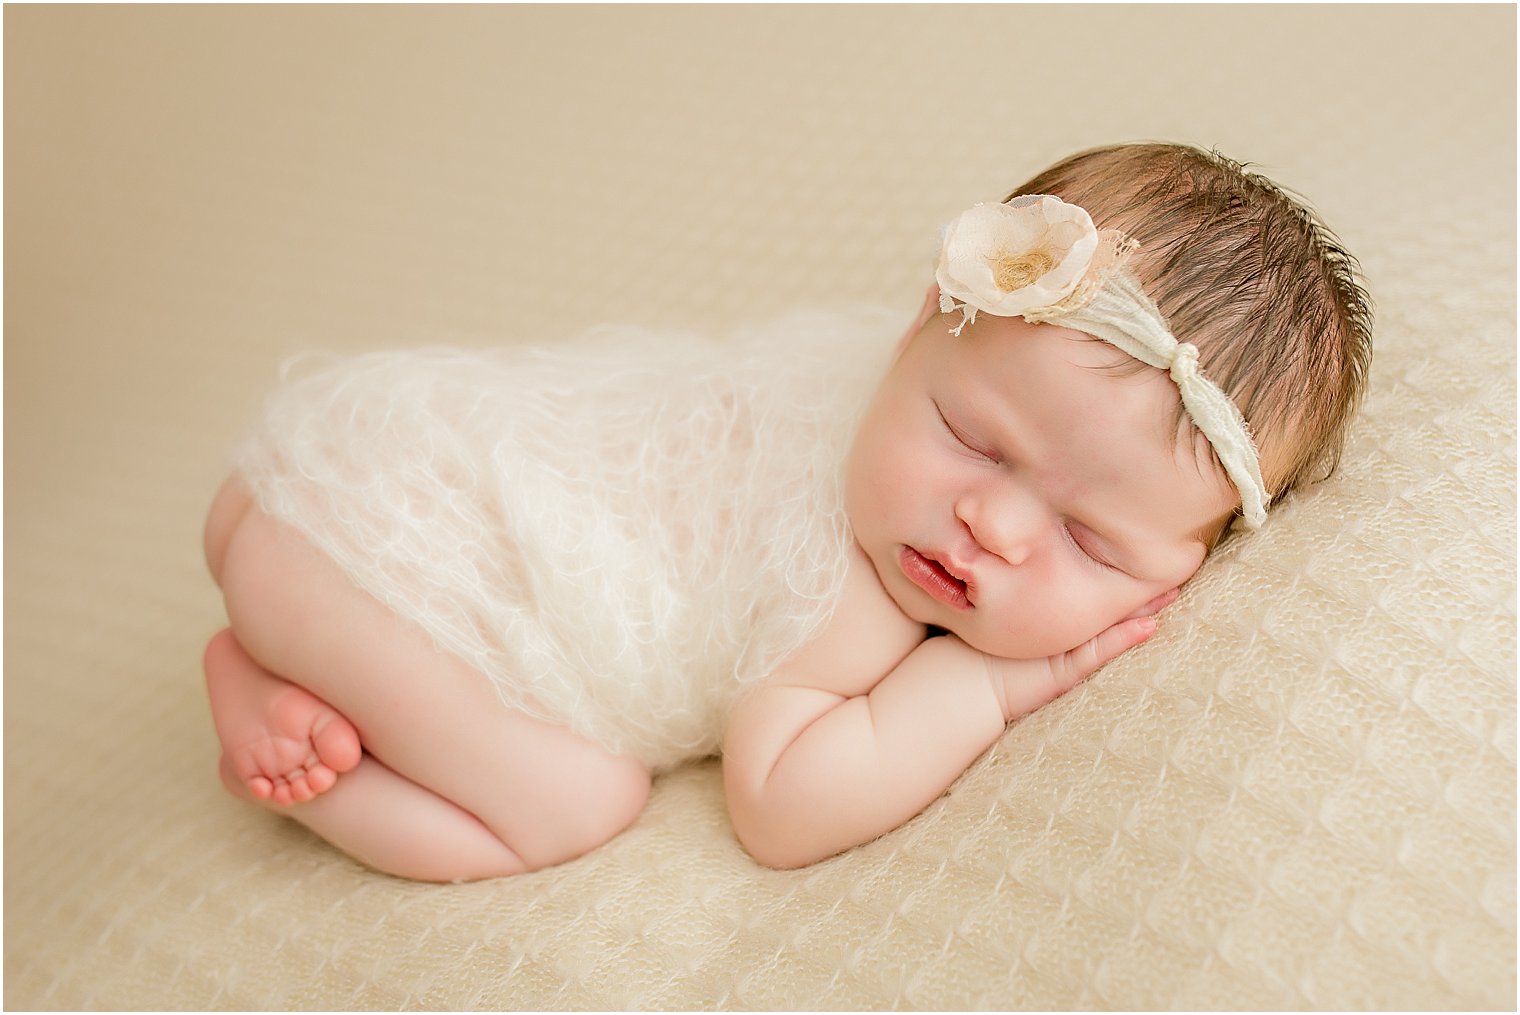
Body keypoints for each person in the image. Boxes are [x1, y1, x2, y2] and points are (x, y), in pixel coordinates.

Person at [202, 142, 1373, 880]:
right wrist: (986, 681)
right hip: (360, 554)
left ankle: (269, 615)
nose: (993, 528)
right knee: (572, 802)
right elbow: (779, 806)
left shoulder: (892, 374)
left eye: (1088, 539)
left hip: (355, 463)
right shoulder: (840, 591)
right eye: (971, 439)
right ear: (925, 320)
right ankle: (254, 684)